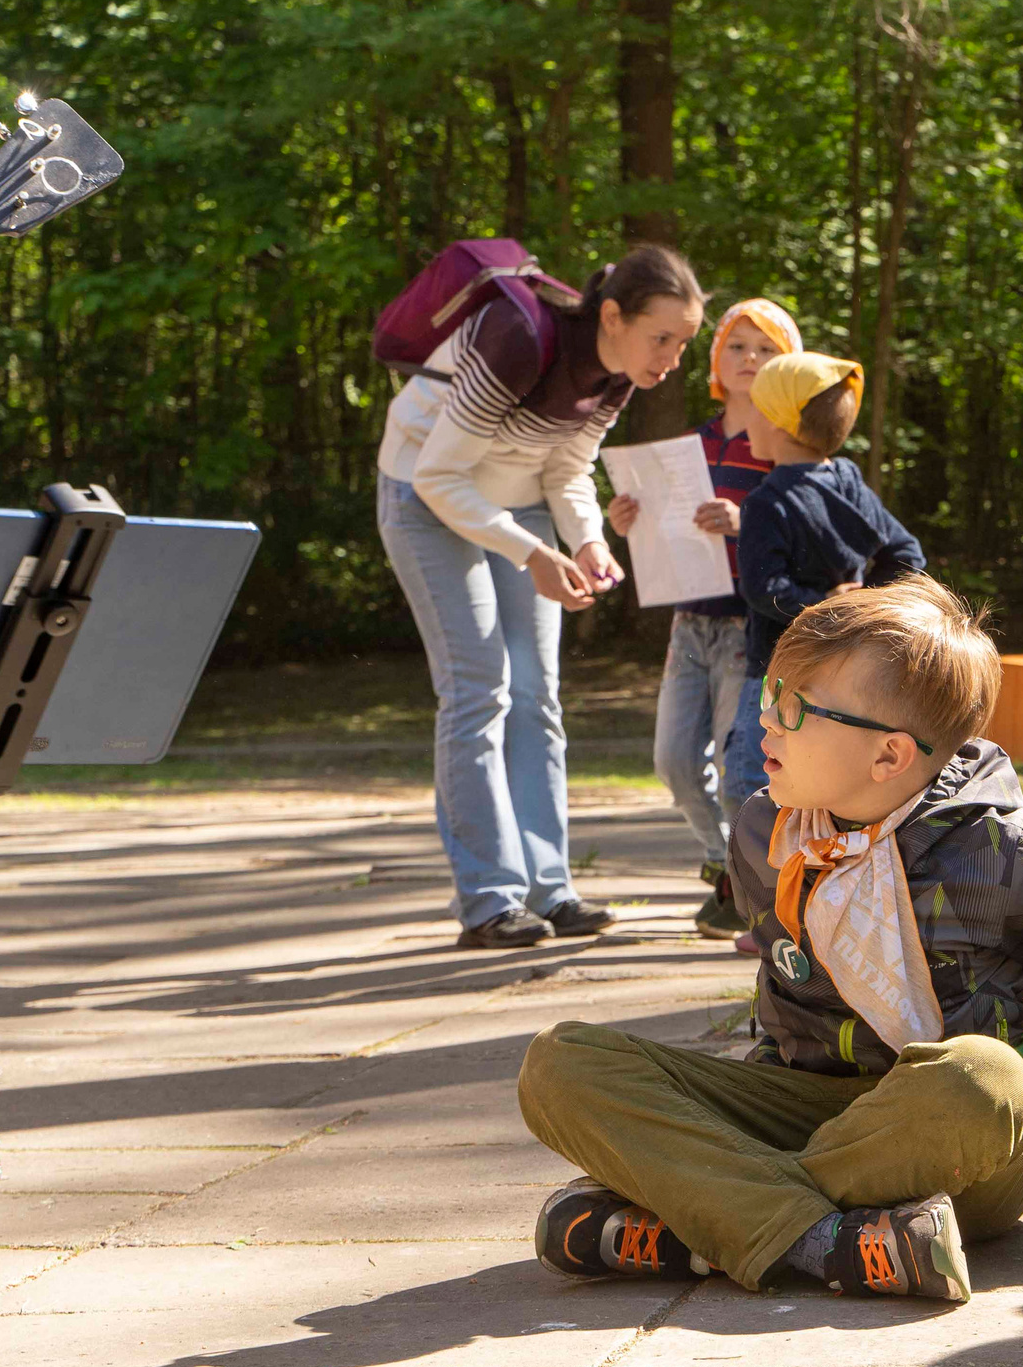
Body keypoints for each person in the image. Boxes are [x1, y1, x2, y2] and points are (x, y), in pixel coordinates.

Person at [517, 575, 1023, 1300]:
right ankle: (829, 1243)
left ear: (888, 757)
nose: (765, 720)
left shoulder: (995, 852)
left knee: (986, 1079)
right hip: (801, 1108)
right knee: (559, 1063)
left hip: (942, 1143)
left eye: (794, 707)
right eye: (770, 691)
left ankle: (706, 1218)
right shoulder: (764, 832)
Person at [378, 244, 705, 949]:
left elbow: (567, 467)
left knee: (537, 694)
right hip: (424, 495)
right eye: (663, 338)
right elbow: (440, 476)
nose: (673, 358)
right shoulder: (519, 341)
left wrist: (586, 541)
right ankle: (490, 900)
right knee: (480, 687)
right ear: (612, 315)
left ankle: (549, 890)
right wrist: (533, 553)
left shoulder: (617, 376)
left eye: (683, 343)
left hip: (515, 501)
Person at [606, 297, 804, 942]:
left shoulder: (785, 446)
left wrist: (746, 525)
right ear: (716, 359)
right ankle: (725, 862)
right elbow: (661, 528)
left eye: (766, 349)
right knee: (672, 762)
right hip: (688, 622)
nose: (750, 359)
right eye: (737, 347)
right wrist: (627, 522)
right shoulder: (691, 444)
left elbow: (807, 532)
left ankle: (740, 883)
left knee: (740, 767)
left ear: (788, 363)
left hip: (751, 627)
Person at [722, 350, 926, 827]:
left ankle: (761, 885)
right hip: (842, 674)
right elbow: (909, 555)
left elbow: (762, 589)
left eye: (755, 406)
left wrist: (830, 610)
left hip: (776, 669)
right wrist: (865, 607)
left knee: (748, 783)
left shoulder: (766, 502)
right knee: (821, 782)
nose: (746, 417)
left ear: (777, 422)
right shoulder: (848, 480)